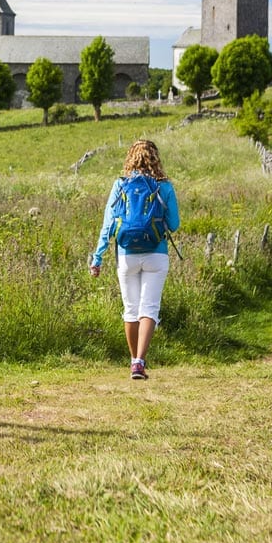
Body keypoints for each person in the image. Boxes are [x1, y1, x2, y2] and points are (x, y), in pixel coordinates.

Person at [89, 139, 180, 380]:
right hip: (156, 254)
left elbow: (108, 224)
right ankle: (140, 362)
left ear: (130, 158)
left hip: (126, 255)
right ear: (155, 158)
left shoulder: (120, 185)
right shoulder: (164, 187)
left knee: (131, 310)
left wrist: (97, 257)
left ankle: (131, 361)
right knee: (149, 308)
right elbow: (174, 224)